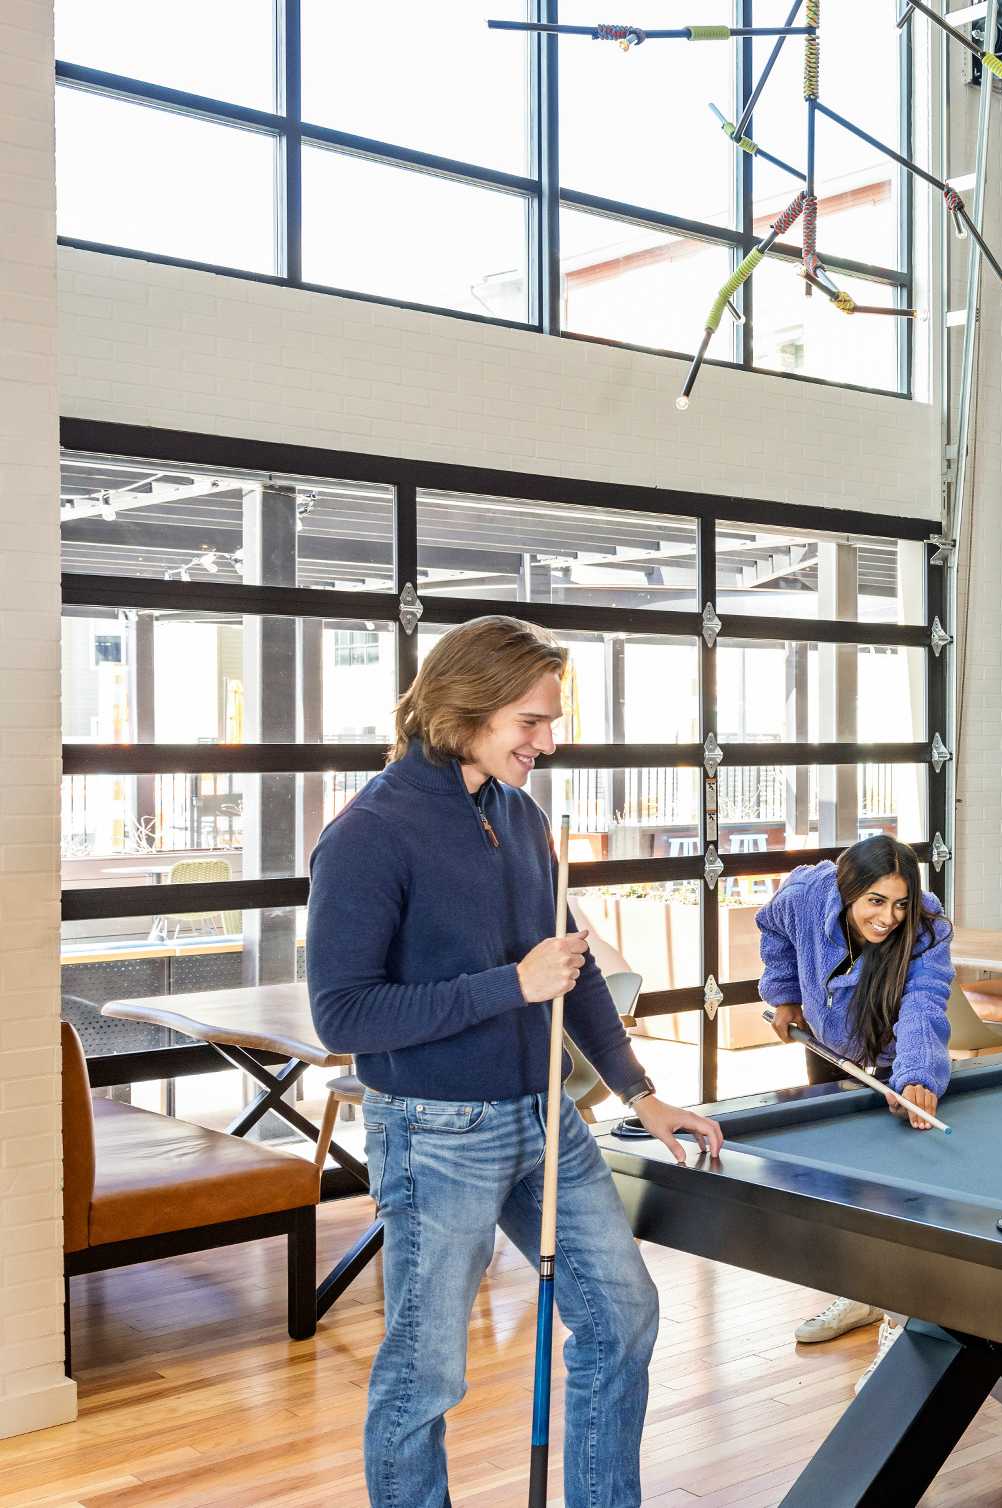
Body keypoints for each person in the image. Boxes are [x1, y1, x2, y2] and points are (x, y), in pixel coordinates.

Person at [308, 615, 724, 1508]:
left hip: (546, 1119)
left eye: (551, 721)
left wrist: (642, 1094)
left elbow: (566, 975)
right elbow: (342, 1012)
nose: (547, 741)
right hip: (433, 1131)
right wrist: (510, 985)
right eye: (531, 722)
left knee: (622, 1318)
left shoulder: (520, 814)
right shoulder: (369, 835)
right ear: (469, 709)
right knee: (426, 1377)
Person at [757, 835, 955, 1355]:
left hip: (895, 1054)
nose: (889, 918)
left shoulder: (927, 926)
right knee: (838, 1179)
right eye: (875, 901)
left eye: (900, 903)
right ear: (847, 890)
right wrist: (785, 995)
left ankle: (902, 1318)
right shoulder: (806, 895)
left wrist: (914, 1074)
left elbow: (924, 1003)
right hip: (825, 1043)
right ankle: (861, 1293)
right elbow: (771, 927)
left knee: (895, 1184)